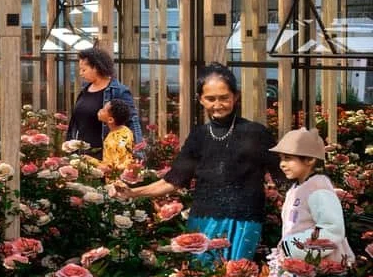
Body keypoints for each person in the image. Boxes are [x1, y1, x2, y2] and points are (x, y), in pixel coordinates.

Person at [109, 64, 284, 263]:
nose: (217, 104)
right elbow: (174, 180)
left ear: (236, 96)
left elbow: (283, 174)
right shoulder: (199, 136)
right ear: (201, 99)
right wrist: (133, 192)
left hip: (244, 221)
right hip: (202, 220)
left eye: (224, 97)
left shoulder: (256, 133)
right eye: (211, 99)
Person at [270, 128, 355, 265]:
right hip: (303, 262)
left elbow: (332, 228)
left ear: (309, 159)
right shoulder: (298, 188)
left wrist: (292, 247)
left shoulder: (318, 189)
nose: (282, 164)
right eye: (281, 159)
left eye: (288, 158)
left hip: (323, 265)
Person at [67, 47, 144, 155]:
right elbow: (75, 123)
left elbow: (133, 121)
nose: (81, 73)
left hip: (106, 155)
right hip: (82, 154)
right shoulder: (85, 90)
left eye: (84, 70)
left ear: (97, 68)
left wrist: (138, 152)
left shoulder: (118, 91)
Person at [97, 98, 137, 177]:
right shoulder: (116, 131)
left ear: (110, 120)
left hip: (117, 181)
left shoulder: (124, 137)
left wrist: (93, 163)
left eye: (103, 110)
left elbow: (117, 165)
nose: (100, 110)